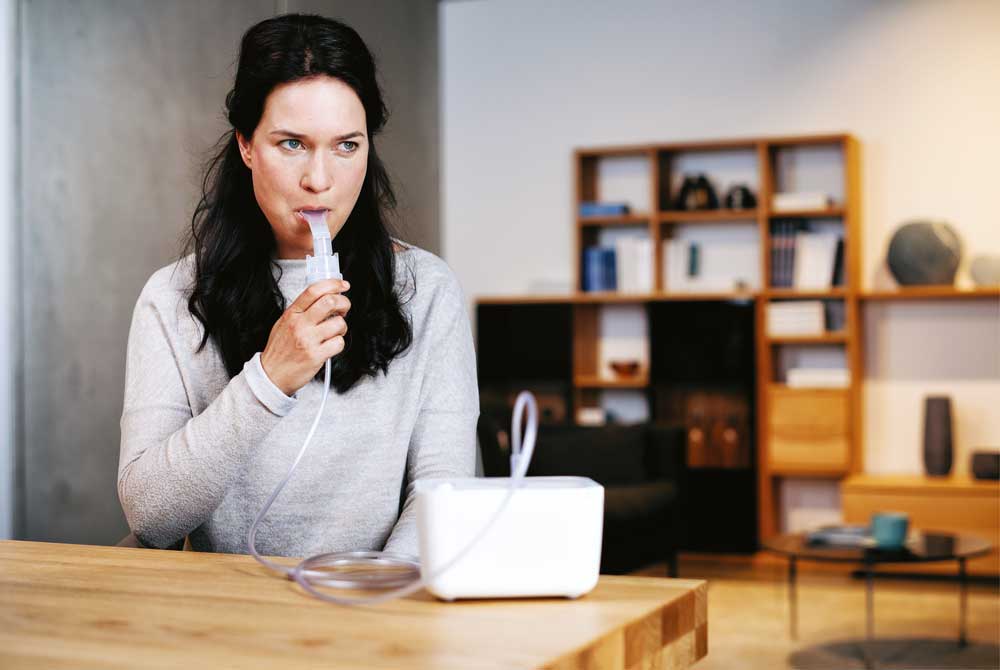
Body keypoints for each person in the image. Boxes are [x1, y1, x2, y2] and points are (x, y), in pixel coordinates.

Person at [117, 14, 477, 558]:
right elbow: (150, 515)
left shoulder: (426, 290)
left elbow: (442, 493)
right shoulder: (171, 299)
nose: (320, 180)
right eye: (291, 144)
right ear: (245, 145)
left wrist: (365, 600)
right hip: (224, 620)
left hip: (376, 616)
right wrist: (270, 378)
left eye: (346, 146)